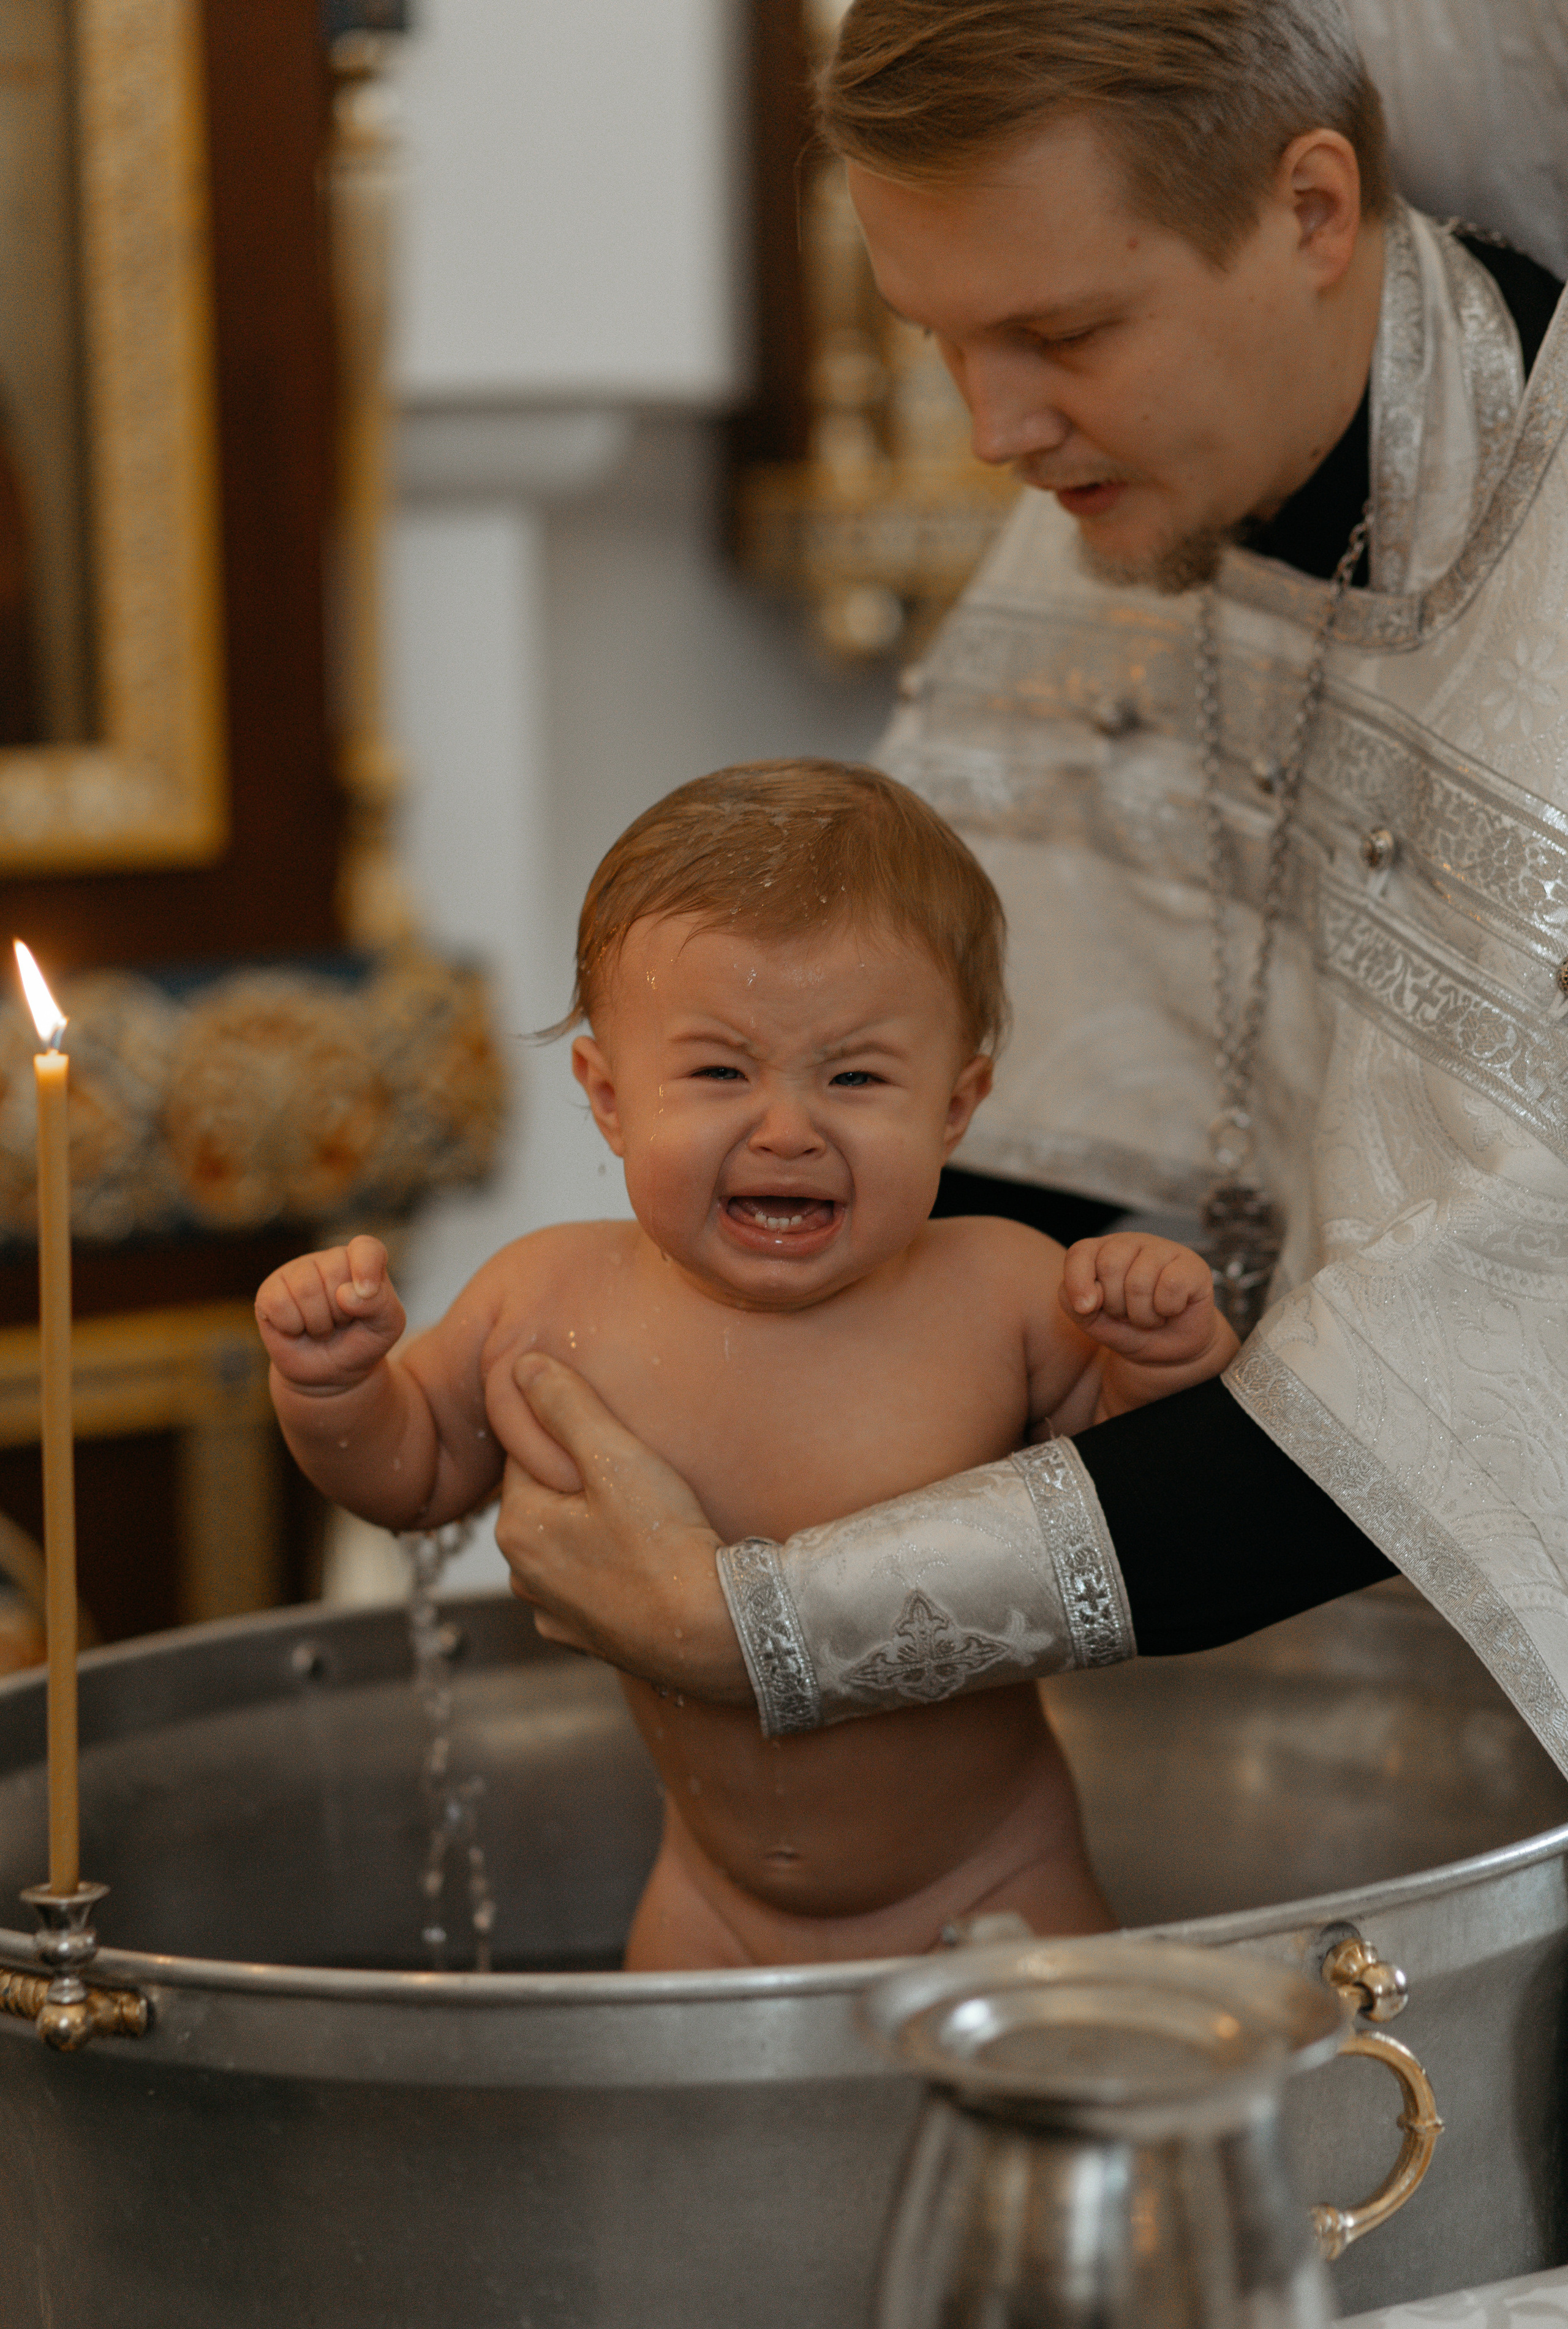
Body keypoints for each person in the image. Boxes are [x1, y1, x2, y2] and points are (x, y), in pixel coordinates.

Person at [493, 0, 1568, 1775]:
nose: (995, 429)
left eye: (1063, 330)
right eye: (941, 340)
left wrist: (765, 1617)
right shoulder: (1117, 505)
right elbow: (977, 1140)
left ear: (1313, 211)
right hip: (1244, 1691)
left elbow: (1487, 1355)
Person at [255, 761, 1235, 1963]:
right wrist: (338, 1390)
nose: (787, 1127)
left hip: (993, 1885)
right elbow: (408, 1484)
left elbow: (1142, 1498)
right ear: (608, 1099)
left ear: (955, 1106)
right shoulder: (546, 1299)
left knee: (1057, 2130)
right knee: (669, 2149)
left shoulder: (1006, 1291)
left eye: (856, 1076)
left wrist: (1160, 1353)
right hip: (712, 1904)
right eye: (720, 1071)